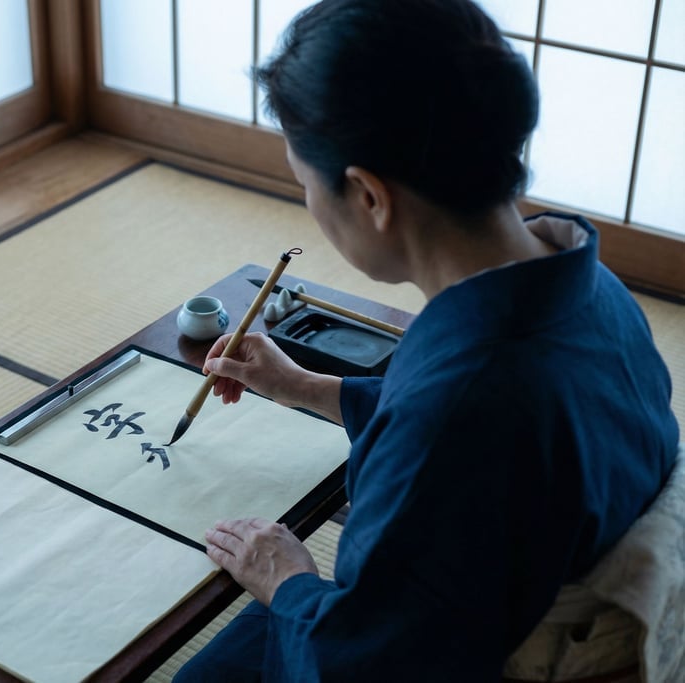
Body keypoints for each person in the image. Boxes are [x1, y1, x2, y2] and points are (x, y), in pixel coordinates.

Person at [174, 0, 680, 680]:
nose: (309, 205)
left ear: (368, 196)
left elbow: (362, 663)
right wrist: (303, 385)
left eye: (304, 183)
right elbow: (488, 430)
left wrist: (289, 577)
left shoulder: (460, 415)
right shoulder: (587, 285)